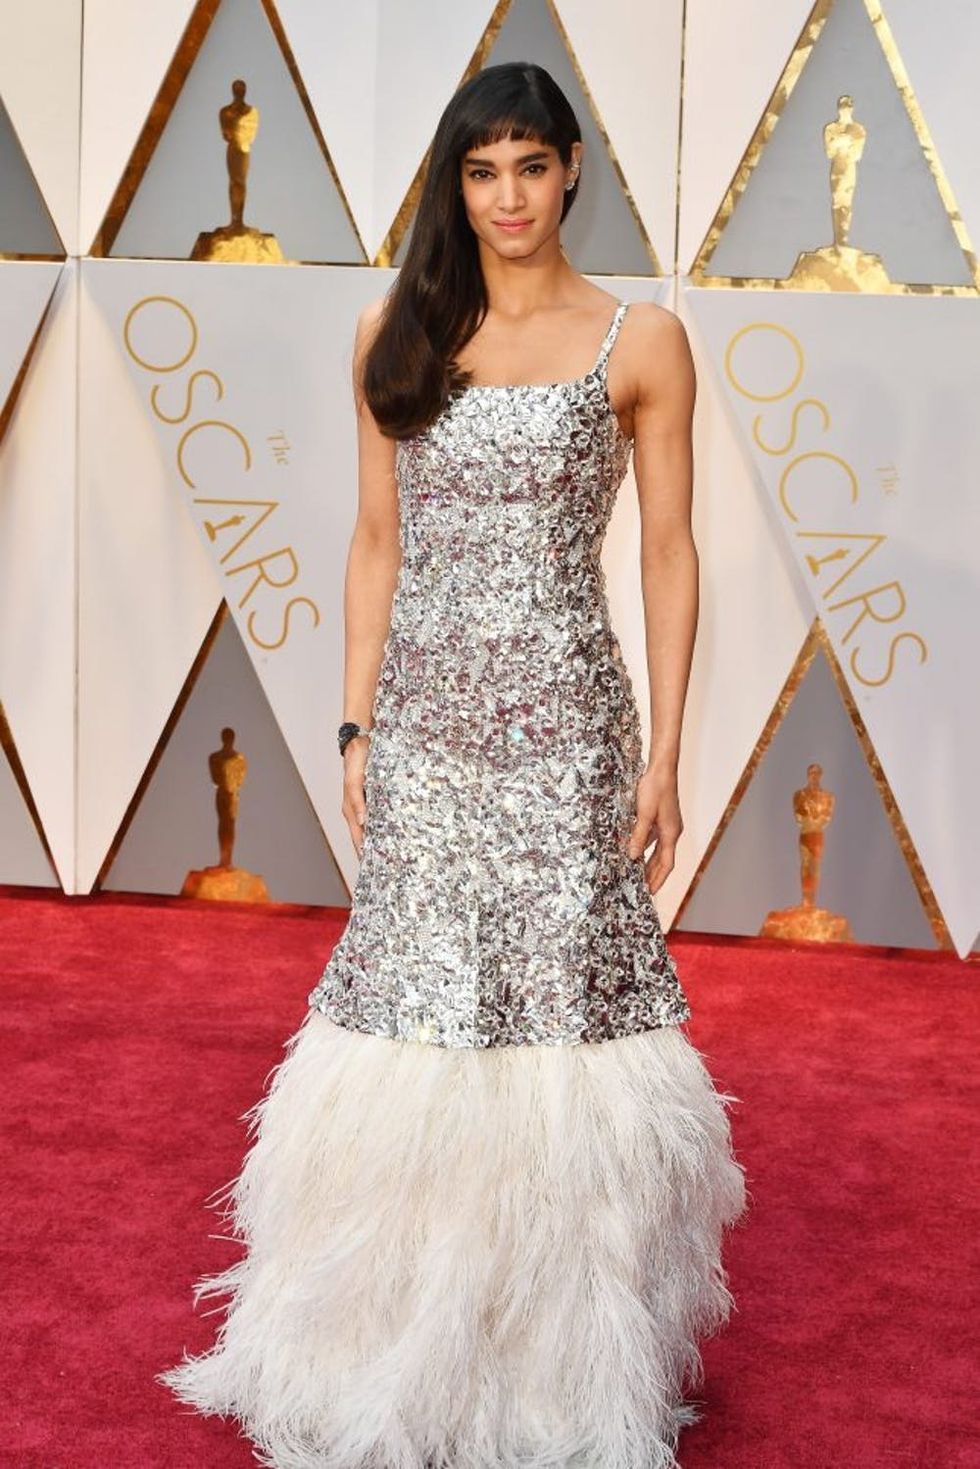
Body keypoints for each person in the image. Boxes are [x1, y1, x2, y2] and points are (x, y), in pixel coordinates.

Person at [160, 60, 748, 1469]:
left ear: (571, 174)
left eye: (531, 166)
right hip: (425, 727)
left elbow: (669, 553)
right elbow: (375, 542)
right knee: (417, 1013)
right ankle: (394, 1345)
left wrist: (668, 752)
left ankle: (556, 1369)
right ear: (456, 183)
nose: (508, 197)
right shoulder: (398, 328)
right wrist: (357, 725)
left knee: (556, 1029)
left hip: (569, 729)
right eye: (482, 171)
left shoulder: (644, 341)